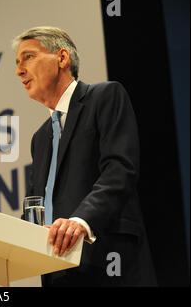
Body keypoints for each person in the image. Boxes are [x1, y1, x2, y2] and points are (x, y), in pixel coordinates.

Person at [13, 26, 157, 286]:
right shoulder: (40, 138)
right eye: (17, 62)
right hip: (57, 271)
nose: (19, 70)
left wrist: (82, 220)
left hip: (107, 261)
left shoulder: (104, 97)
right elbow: (37, 206)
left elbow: (119, 170)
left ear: (62, 58)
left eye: (28, 57)